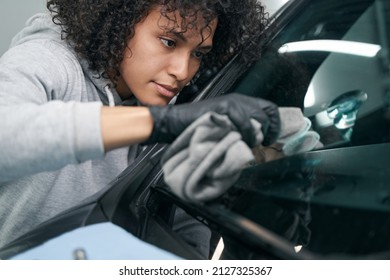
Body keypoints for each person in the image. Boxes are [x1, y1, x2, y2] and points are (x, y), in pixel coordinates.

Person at [0, 0, 280, 251]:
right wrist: (162, 123)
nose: (182, 71)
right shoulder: (47, 60)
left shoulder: (163, 101)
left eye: (198, 54)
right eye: (169, 42)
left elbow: (183, 227)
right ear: (119, 22)